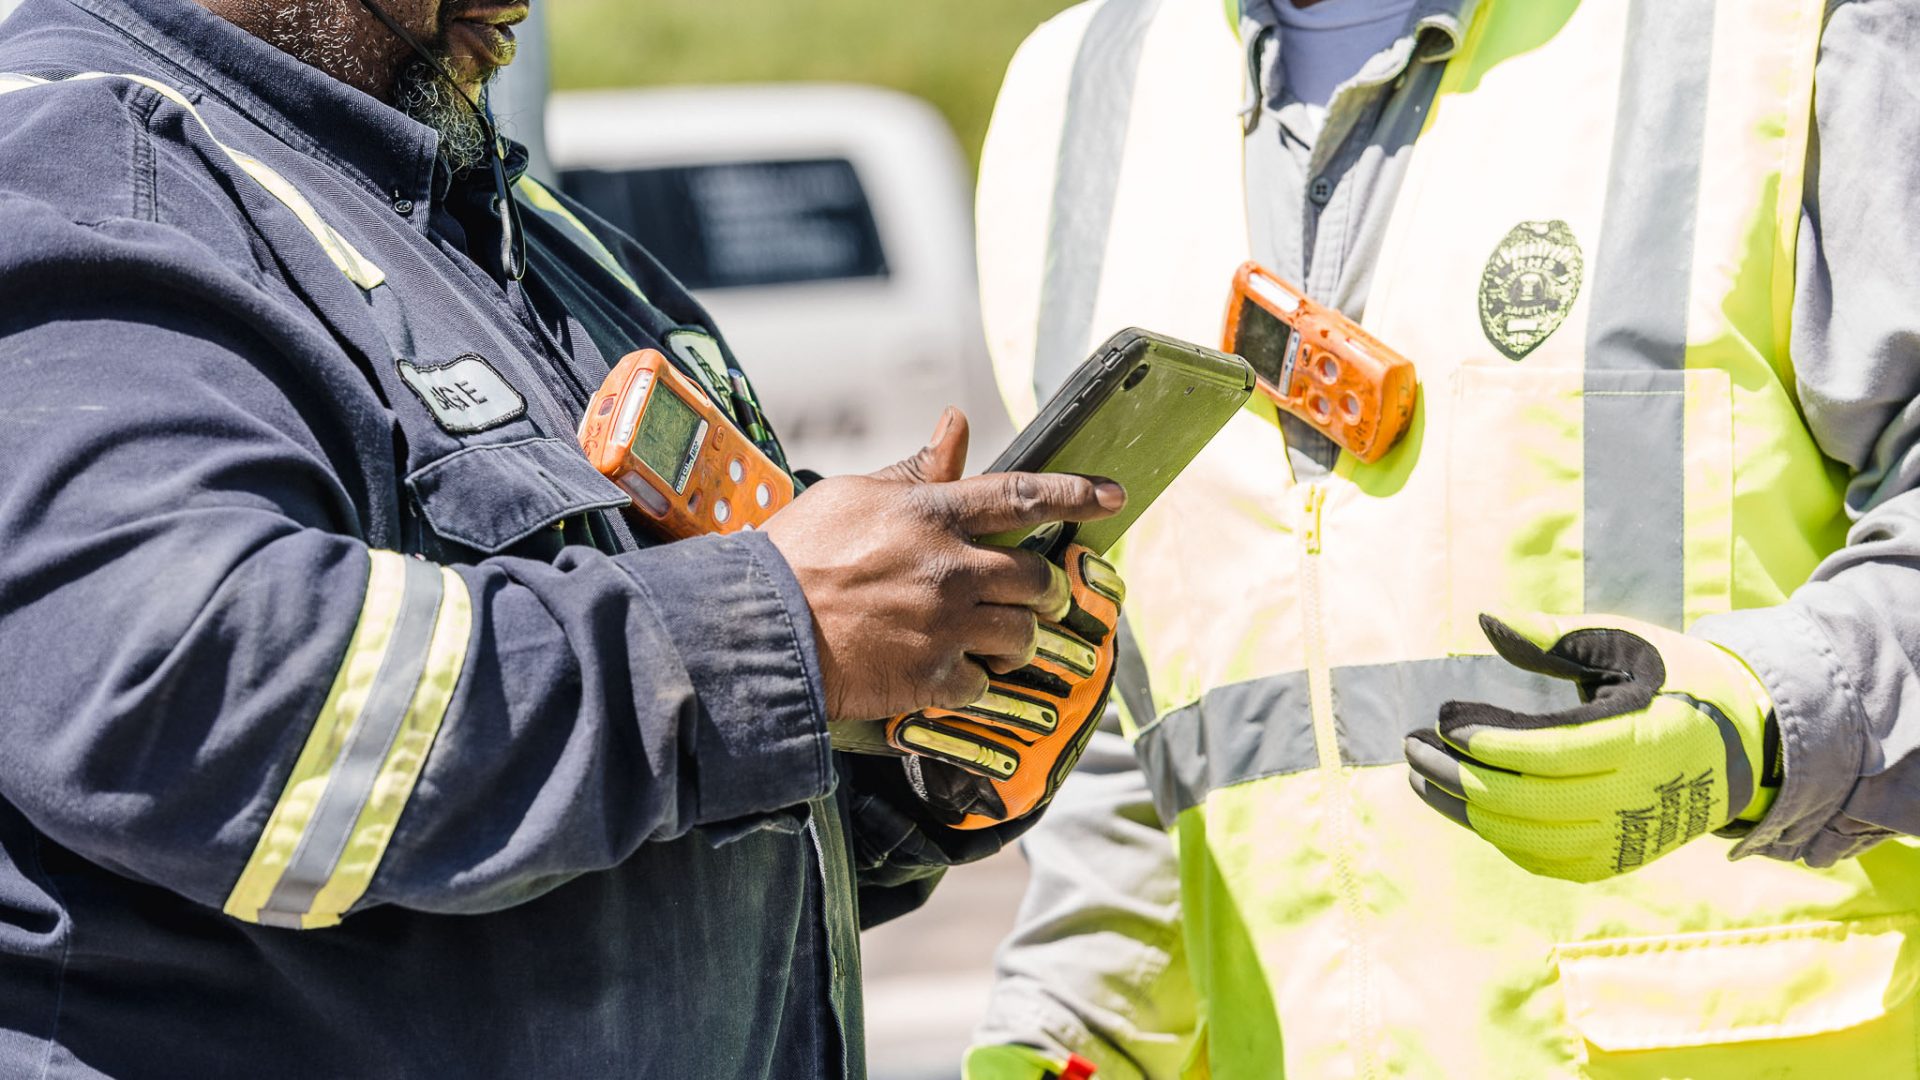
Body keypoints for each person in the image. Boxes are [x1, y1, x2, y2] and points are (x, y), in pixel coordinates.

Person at [0, 0, 1128, 1075]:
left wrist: (900, 737)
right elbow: (199, 702)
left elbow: (623, 849)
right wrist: (779, 634)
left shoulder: (528, 233)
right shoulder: (88, 171)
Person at [963, 0, 1920, 1077]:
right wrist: (1072, 1033)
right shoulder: (1074, 90)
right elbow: (1151, 711)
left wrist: (1763, 718)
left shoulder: (1783, 33)